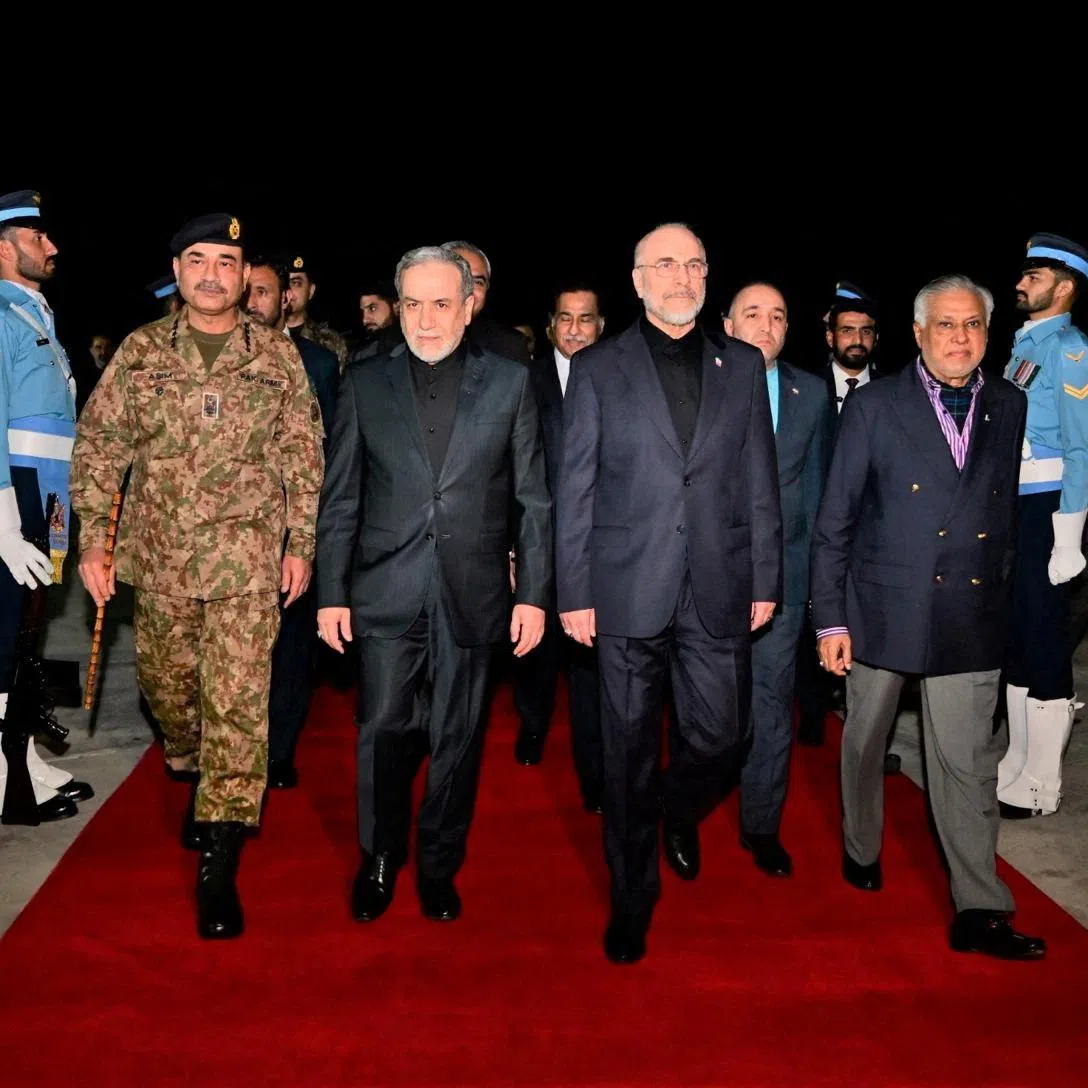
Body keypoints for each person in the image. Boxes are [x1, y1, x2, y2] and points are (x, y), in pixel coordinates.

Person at [71, 213, 325, 940]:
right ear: (178, 270)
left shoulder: (275, 356)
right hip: (161, 561)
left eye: (227, 262)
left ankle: (220, 856)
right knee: (170, 692)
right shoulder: (141, 352)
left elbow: (303, 454)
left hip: (247, 564)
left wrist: (301, 542)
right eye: (199, 260)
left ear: (245, 277)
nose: (213, 274)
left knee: (238, 706)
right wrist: (93, 541)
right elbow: (99, 447)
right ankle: (191, 763)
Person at [556, 223, 781, 964]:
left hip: (719, 582)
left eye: (693, 265)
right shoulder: (597, 367)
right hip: (625, 586)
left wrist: (766, 578)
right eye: (665, 265)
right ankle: (631, 901)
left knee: (724, 736)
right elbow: (576, 486)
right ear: (637, 279)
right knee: (625, 754)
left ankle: (671, 808)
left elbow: (758, 478)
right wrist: (573, 590)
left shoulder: (741, 364)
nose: (681, 277)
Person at [811, 274, 1044, 960]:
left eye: (972, 324)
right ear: (918, 334)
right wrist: (831, 621)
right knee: (865, 741)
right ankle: (861, 843)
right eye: (945, 324)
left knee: (967, 764)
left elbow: (1002, 516)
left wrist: (1001, 601)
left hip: (968, 611)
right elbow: (835, 522)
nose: (960, 338)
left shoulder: (1009, 402)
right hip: (883, 606)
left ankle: (980, 908)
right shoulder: (875, 406)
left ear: (988, 334)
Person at [316, 244, 550, 925]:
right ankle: (379, 856)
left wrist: (534, 595)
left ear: (469, 306)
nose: (425, 320)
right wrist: (332, 593)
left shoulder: (510, 382)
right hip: (386, 587)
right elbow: (341, 498)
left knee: (458, 736)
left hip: (474, 590)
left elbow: (534, 501)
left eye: (441, 303)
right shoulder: (365, 381)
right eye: (412, 304)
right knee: (382, 728)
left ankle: (440, 863)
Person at [723, 282, 828, 877]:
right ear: (728, 324)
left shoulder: (809, 393)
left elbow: (815, 494)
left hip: (782, 581)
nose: (767, 325)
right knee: (703, 707)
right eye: (754, 314)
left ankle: (762, 823)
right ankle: (684, 805)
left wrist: (812, 586)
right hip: (706, 578)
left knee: (770, 701)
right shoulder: (699, 384)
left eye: (779, 316)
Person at [0, 189, 91, 824]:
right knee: (6, 634)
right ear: (4, 248)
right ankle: (4, 776)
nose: (52, 246)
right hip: (19, 499)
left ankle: (22, 758)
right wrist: (3, 517)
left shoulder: (35, 314)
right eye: (38, 238)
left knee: (28, 636)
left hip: (51, 500)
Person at [998, 233, 1088, 819]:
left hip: (1048, 507)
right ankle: (1018, 759)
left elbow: (1082, 446)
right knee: (1018, 637)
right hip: (1017, 505)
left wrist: (1069, 534)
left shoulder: (1070, 348)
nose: (1021, 282)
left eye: (1034, 275)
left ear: (1064, 286)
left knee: (1047, 638)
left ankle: (1042, 784)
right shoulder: (1024, 345)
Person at [244, 256, 340, 789]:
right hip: (234, 535)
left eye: (264, 291)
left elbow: (333, 451)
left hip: (295, 531)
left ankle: (278, 752)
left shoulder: (319, 364)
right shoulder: (221, 355)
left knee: (291, 648)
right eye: (248, 290)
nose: (253, 300)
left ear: (285, 298)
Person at [513, 283, 605, 814]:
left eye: (585, 319)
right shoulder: (525, 380)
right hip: (539, 540)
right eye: (565, 318)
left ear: (600, 325)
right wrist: (511, 546)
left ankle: (594, 770)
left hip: (599, 546)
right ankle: (533, 725)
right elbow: (509, 468)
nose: (574, 329)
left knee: (592, 661)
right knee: (538, 649)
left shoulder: (617, 378)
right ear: (551, 325)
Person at [797, 281, 883, 747]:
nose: (857, 340)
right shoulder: (804, 388)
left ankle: (866, 732)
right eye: (847, 330)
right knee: (812, 623)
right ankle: (812, 719)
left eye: (866, 331)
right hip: (815, 529)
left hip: (873, 537)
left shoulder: (892, 392)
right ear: (830, 335)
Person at [443, 241, 532, 364]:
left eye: (478, 282)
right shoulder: (415, 337)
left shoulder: (509, 347)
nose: (468, 289)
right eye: (459, 277)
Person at [285, 253, 349, 368]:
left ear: (311, 290)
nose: (288, 291)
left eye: (296, 283)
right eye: (284, 283)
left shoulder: (329, 342)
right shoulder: (261, 336)